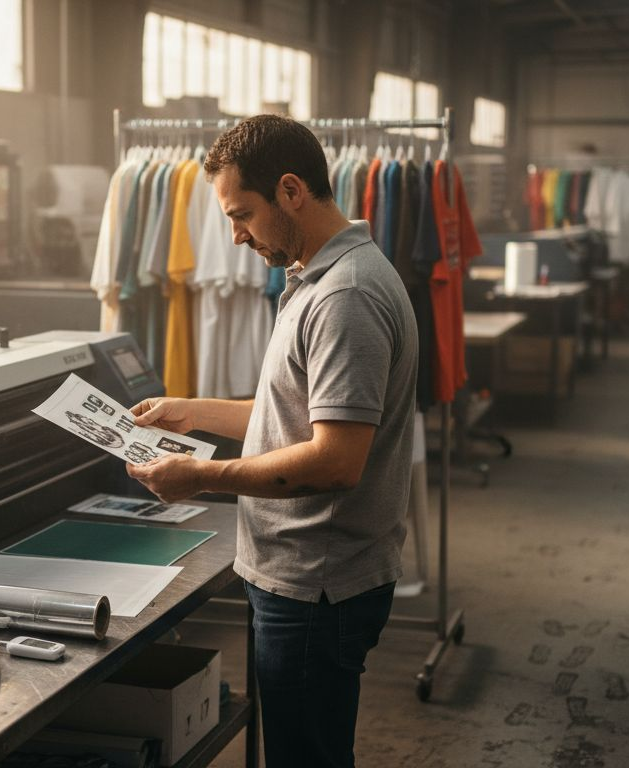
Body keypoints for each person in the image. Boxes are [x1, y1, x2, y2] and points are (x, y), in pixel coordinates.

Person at [126, 114, 419, 768]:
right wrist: (190, 412)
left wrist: (200, 478)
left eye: (242, 215)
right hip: (307, 580)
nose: (233, 236)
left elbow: (336, 460)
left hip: (317, 586)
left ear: (291, 191)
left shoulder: (344, 296)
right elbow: (301, 414)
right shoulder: (319, 277)